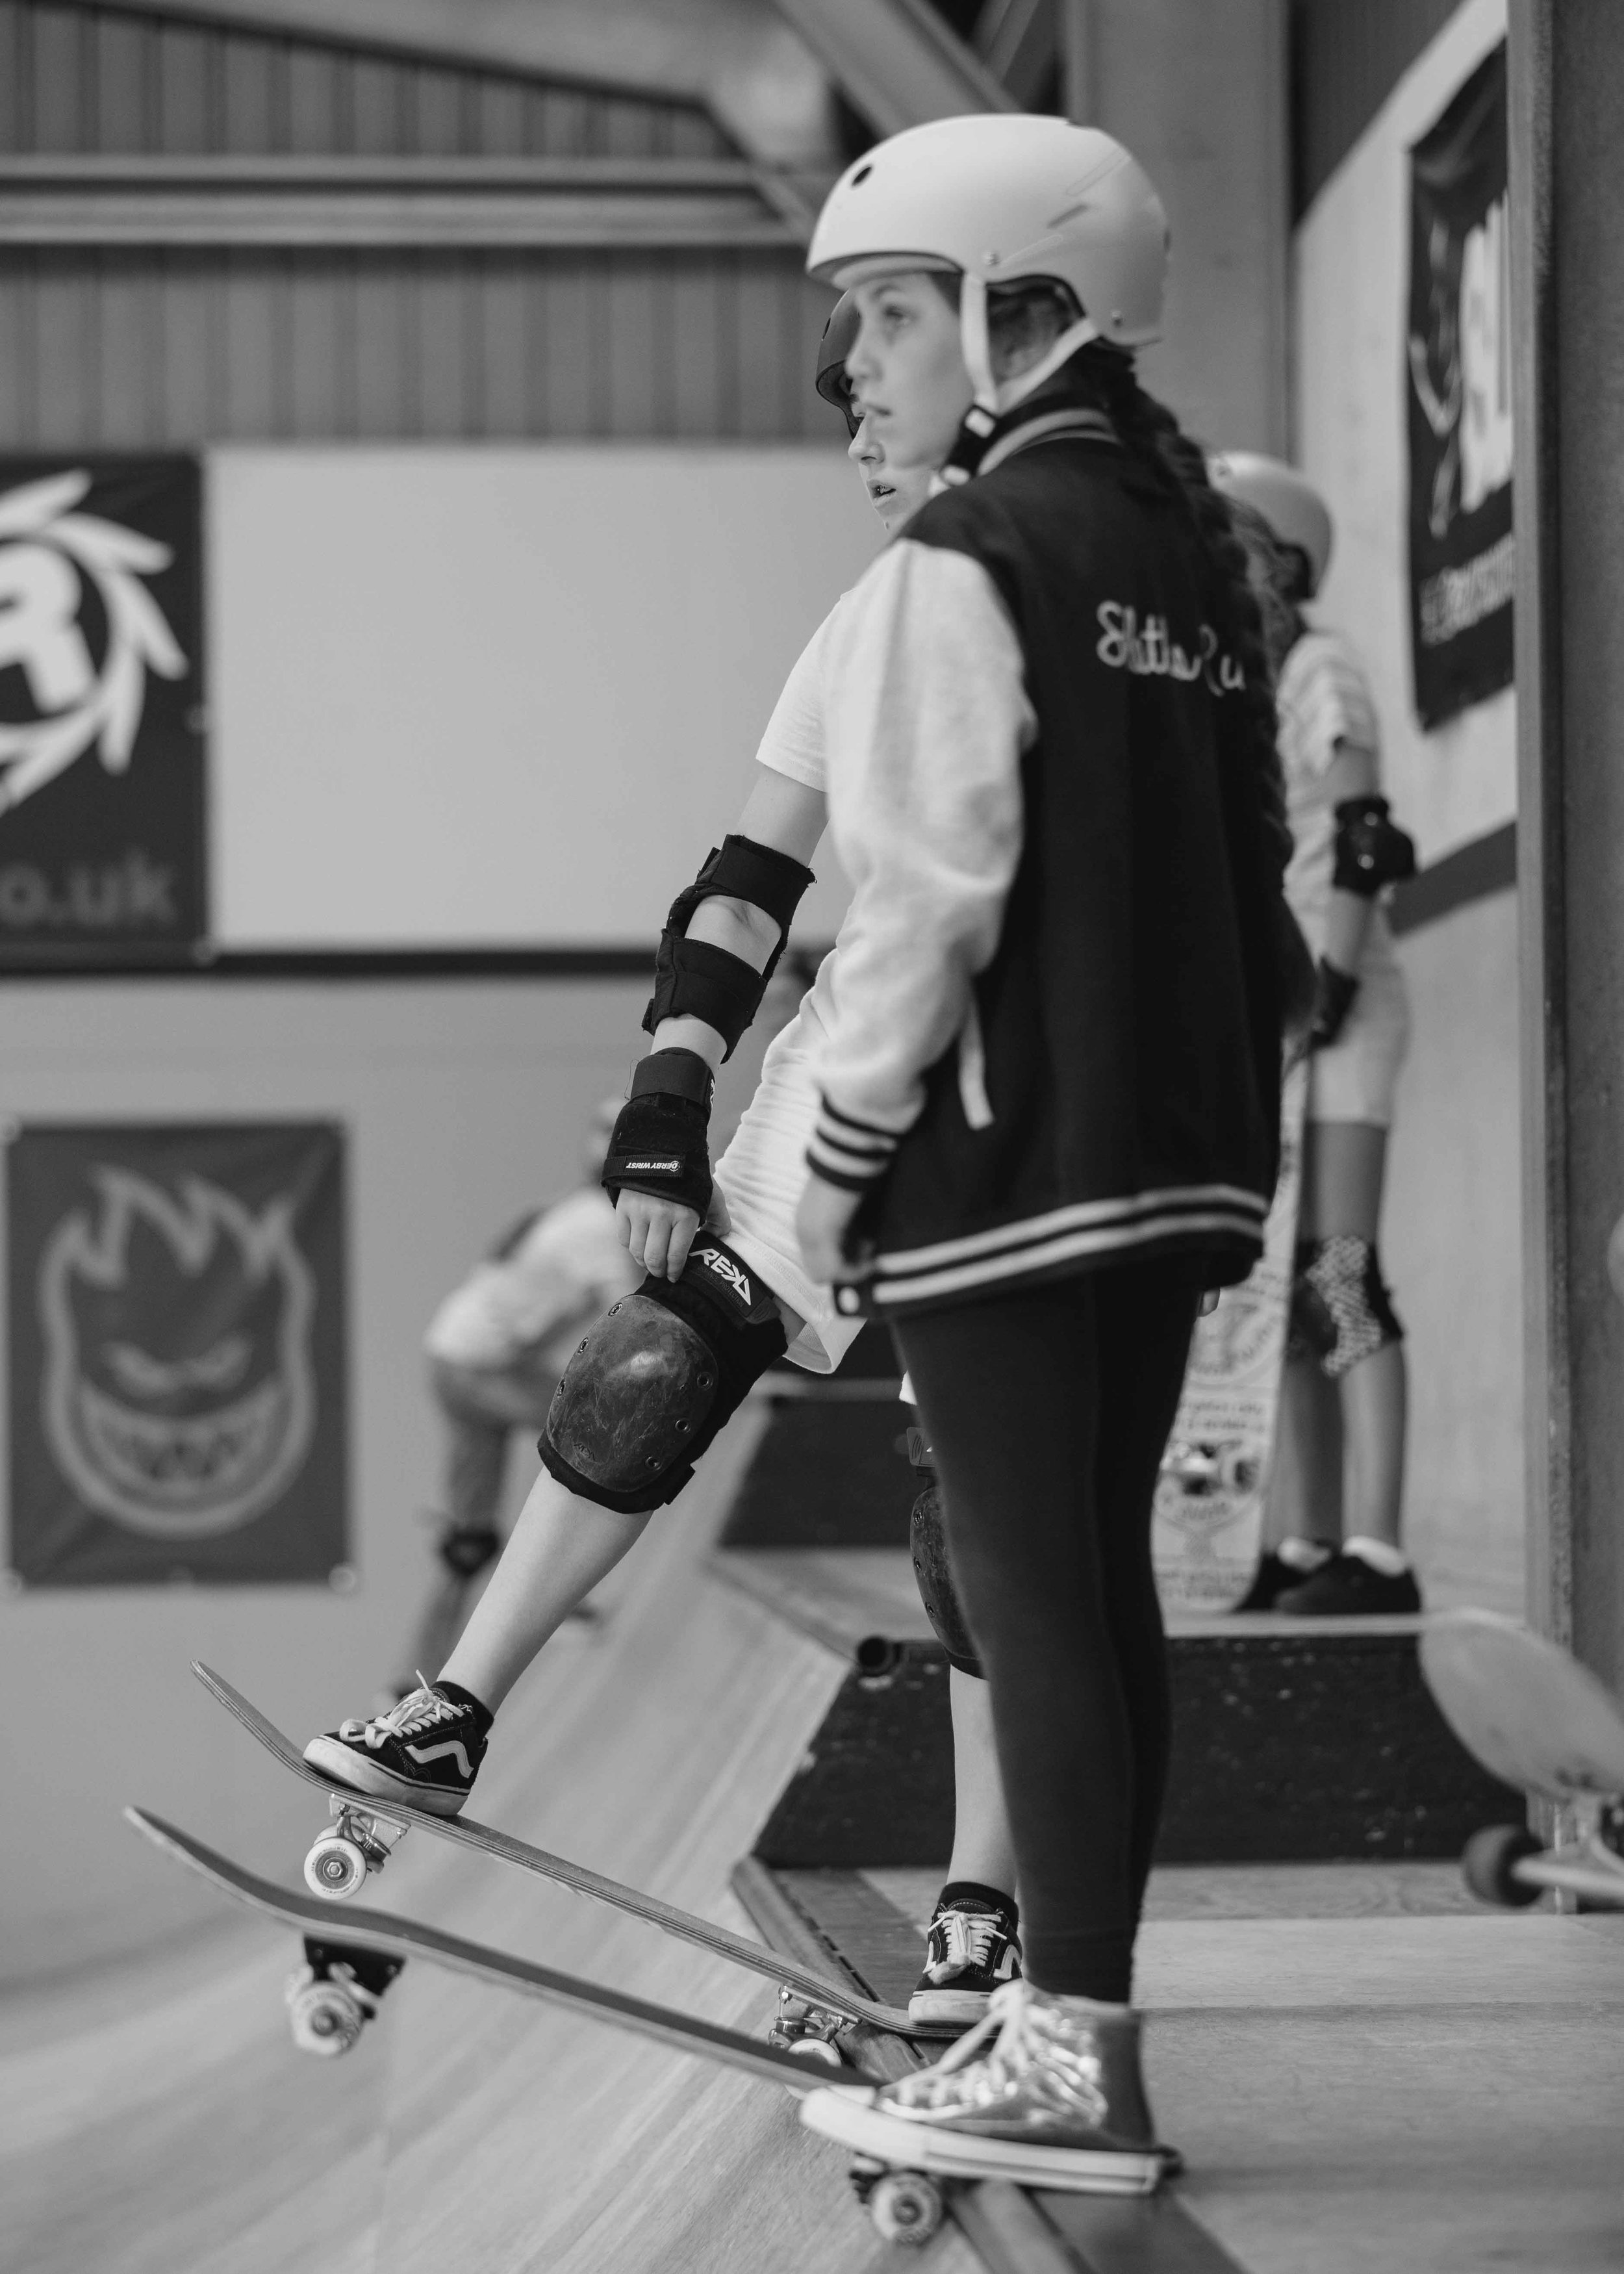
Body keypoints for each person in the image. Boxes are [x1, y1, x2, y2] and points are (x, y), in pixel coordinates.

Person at [303, 304, 1019, 2030]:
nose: (845, 406)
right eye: (836, 385)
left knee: (981, 1500)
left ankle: (983, 1903)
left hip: (1035, 1104)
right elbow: (744, 882)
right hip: (853, 1059)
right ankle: (451, 1715)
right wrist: (665, 1096)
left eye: (872, 372)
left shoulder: (1087, 591)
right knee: (658, 1339)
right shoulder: (861, 621)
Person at [785, 114, 1309, 2187]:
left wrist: (822, 1172)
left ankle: (1067, 2046)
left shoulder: (967, 558)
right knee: (1088, 1596)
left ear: (1020, 318)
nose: (859, 369)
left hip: (1010, 1167)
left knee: (1025, 1593)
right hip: (1172, 1158)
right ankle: (1068, 2012)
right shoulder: (1186, 555)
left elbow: (921, 908)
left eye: (890, 316)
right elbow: (1251, 893)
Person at [1208, 455, 1421, 1617]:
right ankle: (1304, 1543)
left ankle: (1380, 1554)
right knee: (1283, 1290)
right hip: (1273, 1015)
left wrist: (1327, 990)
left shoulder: (1318, 669)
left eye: (1224, 536)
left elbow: (1366, 843)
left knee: (1341, 1275)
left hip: (1337, 1007)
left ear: (1278, 560)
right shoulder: (1229, 679)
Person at [385, 1095, 639, 1701]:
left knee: (468, 1543)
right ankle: (559, 1600)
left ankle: (406, 1686)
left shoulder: (566, 1208)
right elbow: (639, 1323)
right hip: (478, 1367)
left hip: (452, 1354)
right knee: (600, 1438)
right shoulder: (601, 1227)